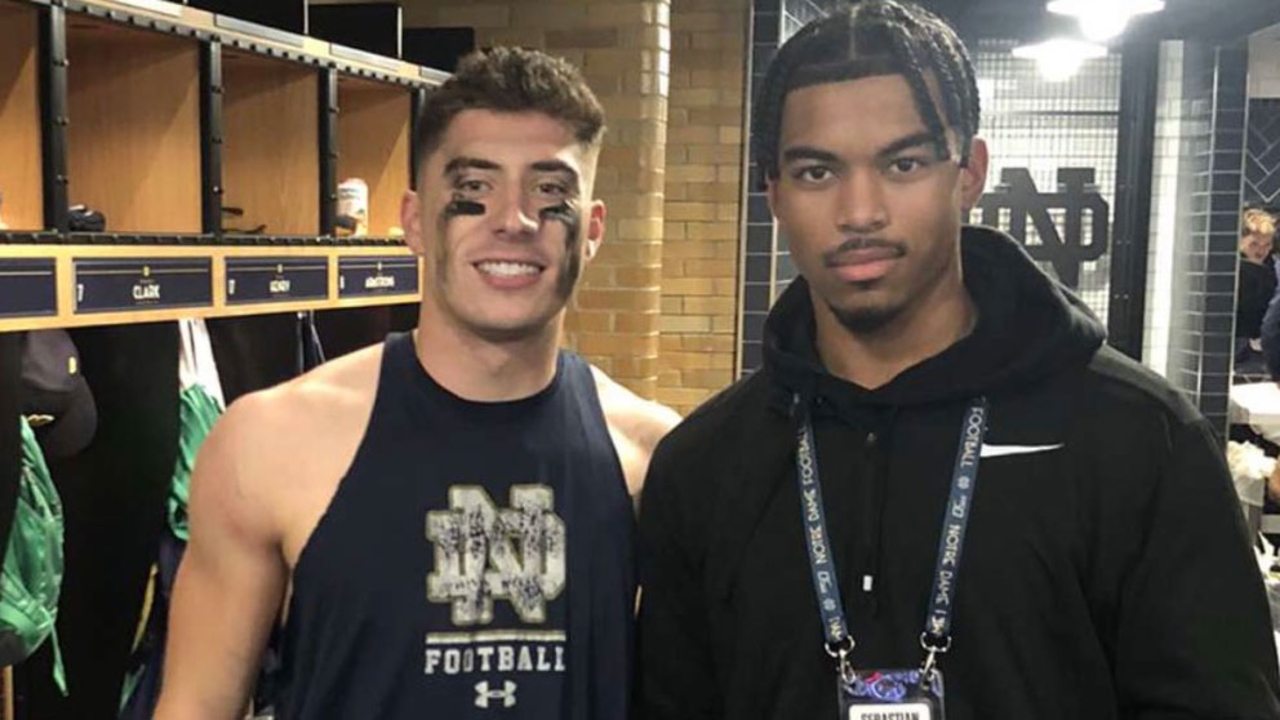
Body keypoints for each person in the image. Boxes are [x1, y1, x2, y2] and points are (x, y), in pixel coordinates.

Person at [633, 2, 1280, 718]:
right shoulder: (705, 465)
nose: (860, 211)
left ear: (969, 171)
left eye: (903, 163)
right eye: (817, 172)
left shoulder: (1139, 439)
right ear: (774, 193)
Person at [155, 47, 679, 719]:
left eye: (550, 193)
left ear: (593, 230)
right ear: (413, 221)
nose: (514, 220)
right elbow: (196, 705)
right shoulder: (268, 443)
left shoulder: (655, 459)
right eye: (475, 188)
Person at [1237, 208, 1276, 373]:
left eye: (1267, 245)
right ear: (1240, 241)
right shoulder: (1235, 270)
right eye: (1254, 244)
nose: (1261, 251)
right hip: (1239, 343)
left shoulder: (1272, 268)